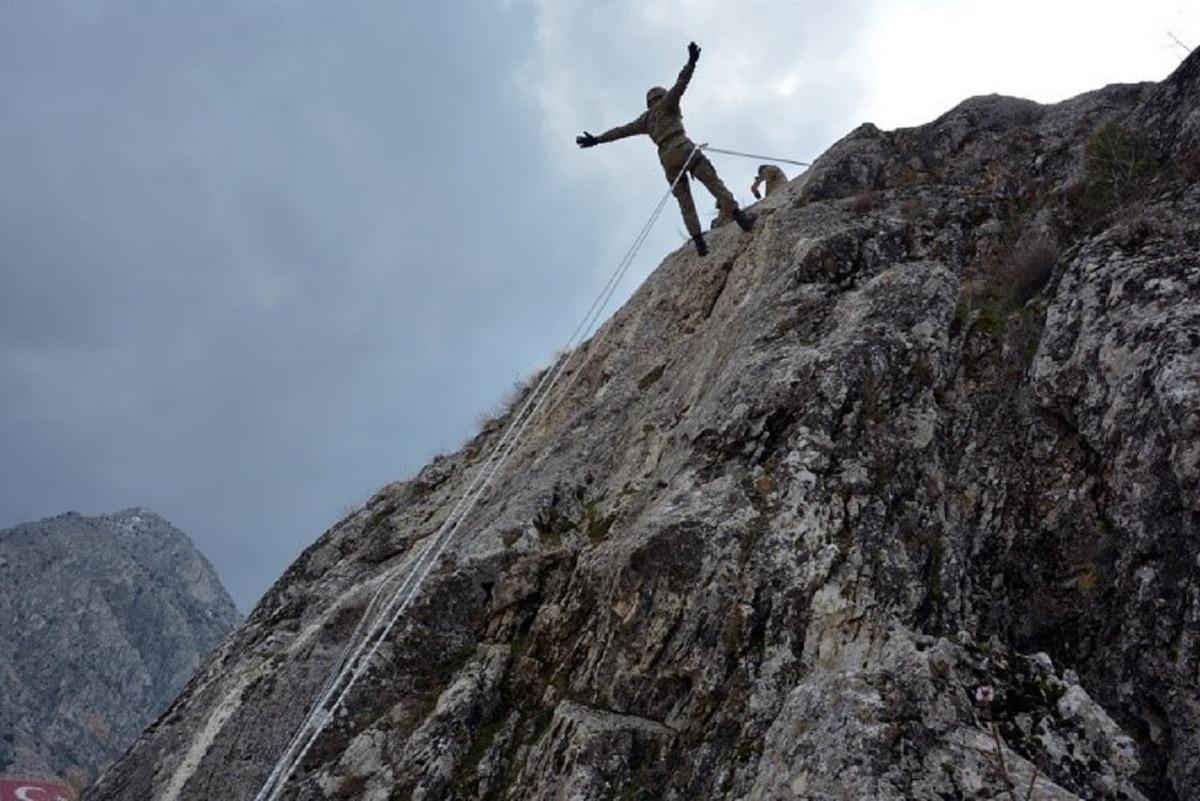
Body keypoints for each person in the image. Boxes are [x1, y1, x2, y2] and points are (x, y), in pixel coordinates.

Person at [576, 42, 755, 257]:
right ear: (660, 97)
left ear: (648, 102)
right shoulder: (667, 104)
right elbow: (681, 84)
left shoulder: (646, 119)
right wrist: (691, 62)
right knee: (712, 181)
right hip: (682, 146)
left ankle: (699, 243)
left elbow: (621, 131)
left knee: (684, 200)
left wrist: (597, 139)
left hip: (666, 159)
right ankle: (740, 218)